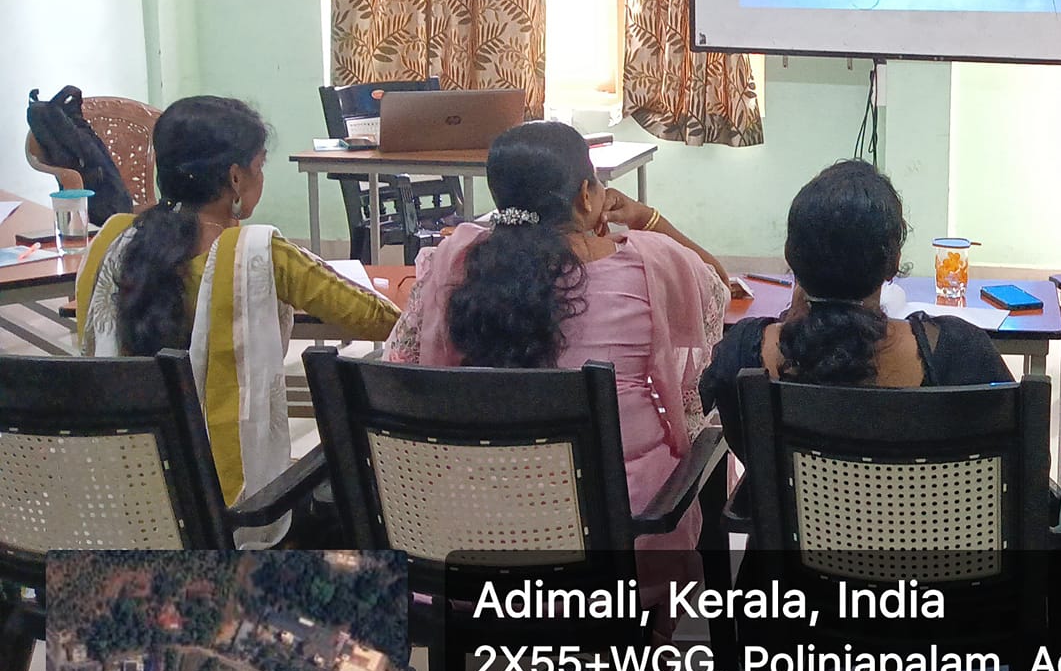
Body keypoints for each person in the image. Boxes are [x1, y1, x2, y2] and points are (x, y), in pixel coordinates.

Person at [386, 121, 730, 549]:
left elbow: (401, 363)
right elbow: (718, 288)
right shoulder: (651, 266)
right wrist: (648, 219)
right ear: (587, 196)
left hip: (474, 534)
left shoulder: (454, 263)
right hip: (622, 536)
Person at [76, 95, 400, 539]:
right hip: (231, 516)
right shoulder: (260, 255)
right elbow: (382, 320)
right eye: (260, 165)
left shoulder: (113, 244)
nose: (260, 176)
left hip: (125, 503)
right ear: (235, 177)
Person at [700, 160, 1010, 426]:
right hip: (920, 497)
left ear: (791, 256)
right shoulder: (959, 351)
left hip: (789, 499)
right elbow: (1019, 466)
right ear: (893, 263)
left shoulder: (743, 353)